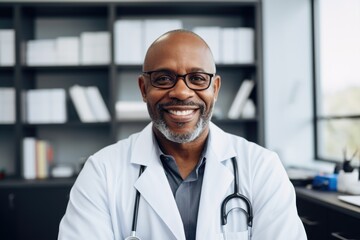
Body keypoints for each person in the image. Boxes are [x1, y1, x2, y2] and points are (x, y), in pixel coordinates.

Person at [58, 29, 307, 240]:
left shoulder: (262, 167)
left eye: (197, 78)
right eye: (164, 78)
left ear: (215, 88)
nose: (181, 92)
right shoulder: (102, 171)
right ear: (144, 89)